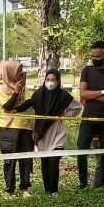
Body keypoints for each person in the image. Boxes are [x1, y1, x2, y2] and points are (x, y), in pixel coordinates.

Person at [76, 41, 104, 188]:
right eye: (92, 57)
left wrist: (91, 95)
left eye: (98, 56)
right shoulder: (87, 71)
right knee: (81, 150)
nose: (95, 59)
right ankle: (83, 184)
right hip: (88, 118)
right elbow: (83, 93)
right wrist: (103, 92)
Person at [0, 59, 34, 196]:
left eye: (21, 71)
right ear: (9, 73)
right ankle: (10, 189)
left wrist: (15, 110)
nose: (21, 74)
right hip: (9, 128)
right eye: (18, 71)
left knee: (26, 159)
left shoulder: (22, 87)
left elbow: (29, 102)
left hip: (25, 126)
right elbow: (7, 106)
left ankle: (24, 188)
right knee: (10, 160)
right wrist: (16, 92)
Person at [30, 68, 75, 196]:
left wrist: (64, 114)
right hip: (42, 134)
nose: (50, 82)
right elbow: (32, 108)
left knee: (54, 161)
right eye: (48, 80)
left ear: (58, 81)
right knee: (45, 162)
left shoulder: (63, 96)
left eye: (53, 80)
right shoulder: (38, 94)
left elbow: (77, 108)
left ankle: (54, 191)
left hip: (57, 133)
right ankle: (47, 190)